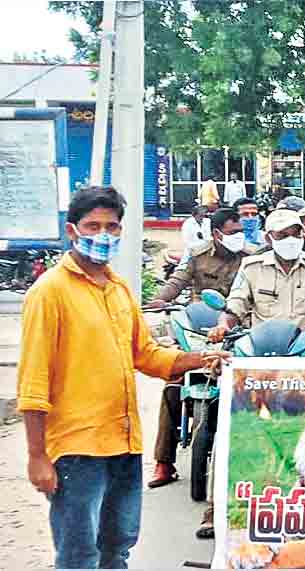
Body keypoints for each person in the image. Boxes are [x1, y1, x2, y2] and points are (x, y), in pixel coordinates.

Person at [16, 186, 229, 569]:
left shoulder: (119, 289)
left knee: (118, 549)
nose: (103, 234)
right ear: (72, 231)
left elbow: (146, 355)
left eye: (111, 226)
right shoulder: (49, 293)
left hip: (124, 445)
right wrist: (37, 458)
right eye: (92, 225)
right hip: (76, 451)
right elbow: (32, 385)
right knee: (79, 555)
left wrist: (203, 358)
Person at [143, 207, 255, 484]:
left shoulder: (253, 257)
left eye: (241, 232)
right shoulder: (197, 254)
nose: (239, 237)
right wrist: (160, 299)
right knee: (173, 384)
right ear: (217, 234)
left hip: (241, 329)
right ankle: (163, 463)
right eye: (233, 232)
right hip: (200, 329)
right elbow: (177, 281)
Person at [208, 208, 305, 342]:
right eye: (282, 235)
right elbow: (237, 301)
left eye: (295, 234)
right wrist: (223, 325)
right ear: (269, 239)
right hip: (262, 346)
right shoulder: (251, 266)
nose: (290, 240)